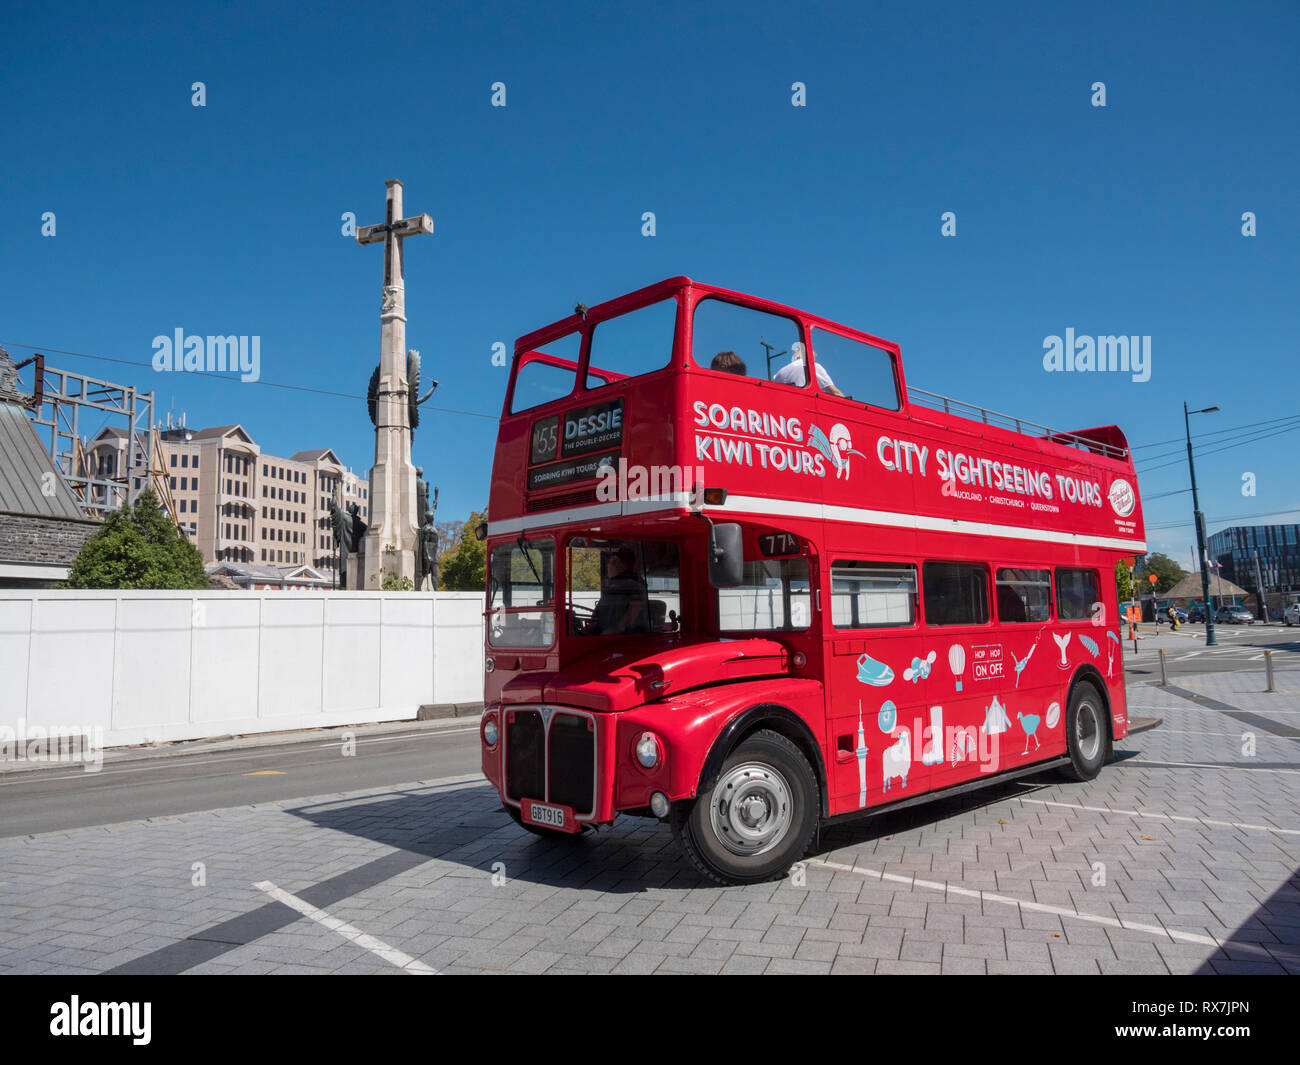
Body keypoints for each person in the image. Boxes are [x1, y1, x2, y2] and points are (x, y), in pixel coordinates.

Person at [592, 547, 647, 634]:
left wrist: (617, 629)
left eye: (610, 562)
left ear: (619, 564)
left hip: (620, 638)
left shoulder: (632, 585)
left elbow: (635, 607)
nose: (608, 566)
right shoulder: (614, 585)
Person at [772, 343, 844, 396]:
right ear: (808, 354)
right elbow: (833, 391)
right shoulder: (813, 366)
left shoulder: (780, 372)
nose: (815, 357)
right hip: (804, 404)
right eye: (814, 355)